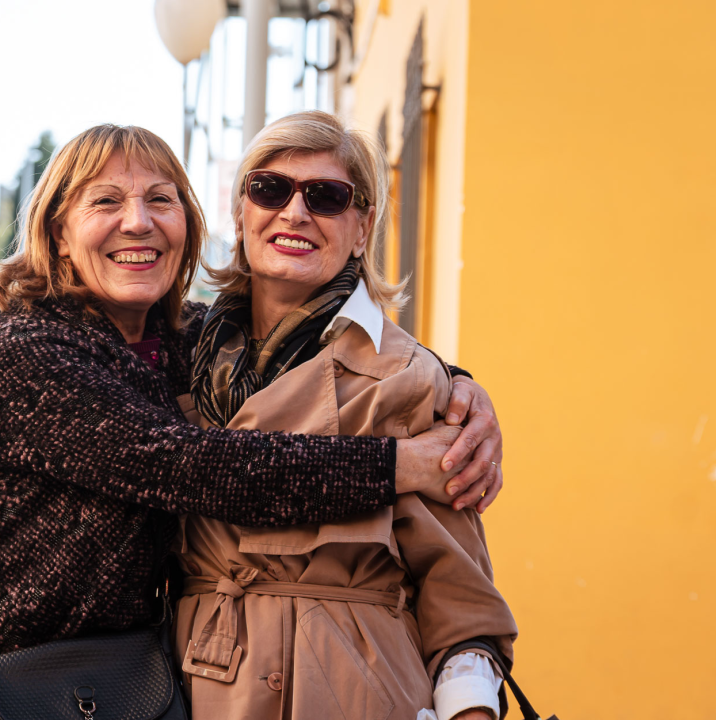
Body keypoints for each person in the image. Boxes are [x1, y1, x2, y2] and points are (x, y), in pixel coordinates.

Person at [0, 125, 502, 719]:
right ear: (57, 234)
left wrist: (454, 384)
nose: (138, 221)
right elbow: (187, 465)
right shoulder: (26, 347)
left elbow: (324, 345)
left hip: (142, 680)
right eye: (105, 201)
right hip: (9, 678)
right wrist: (400, 463)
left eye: (161, 199)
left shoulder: (192, 342)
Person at [172, 111, 516, 720]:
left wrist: (471, 711)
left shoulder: (409, 378)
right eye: (269, 189)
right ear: (240, 213)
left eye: (326, 197)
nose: (295, 213)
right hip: (199, 684)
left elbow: (459, 598)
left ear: (362, 228)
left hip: (361, 691)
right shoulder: (176, 359)